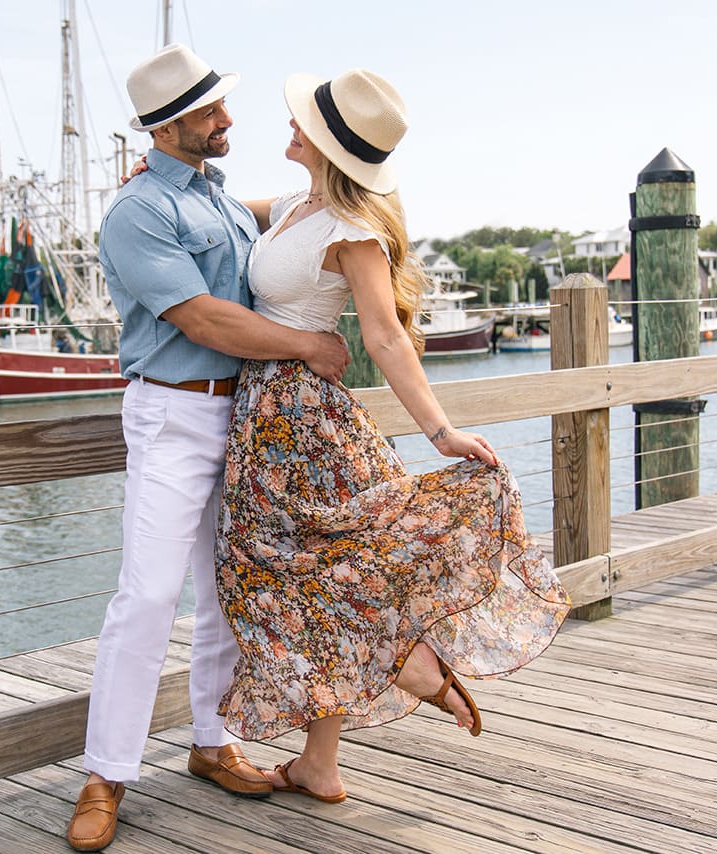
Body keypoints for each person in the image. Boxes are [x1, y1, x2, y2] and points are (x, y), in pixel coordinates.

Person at [214, 69, 571, 802]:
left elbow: (384, 335)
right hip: (265, 417)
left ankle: (408, 660)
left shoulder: (354, 233)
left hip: (305, 420)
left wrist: (439, 430)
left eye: (300, 121)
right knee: (320, 568)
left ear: (325, 143)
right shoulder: (290, 205)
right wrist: (155, 177)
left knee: (278, 570)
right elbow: (210, 210)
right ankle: (320, 762)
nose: (287, 127)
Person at [67, 45, 351, 852]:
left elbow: (294, 214)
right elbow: (202, 319)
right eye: (211, 111)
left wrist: (352, 187)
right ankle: (105, 773)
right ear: (167, 126)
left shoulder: (219, 197)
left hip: (244, 418)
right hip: (175, 415)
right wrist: (309, 346)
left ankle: (212, 739)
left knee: (229, 588)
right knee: (149, 597)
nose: (228, 120)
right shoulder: (138, 212)